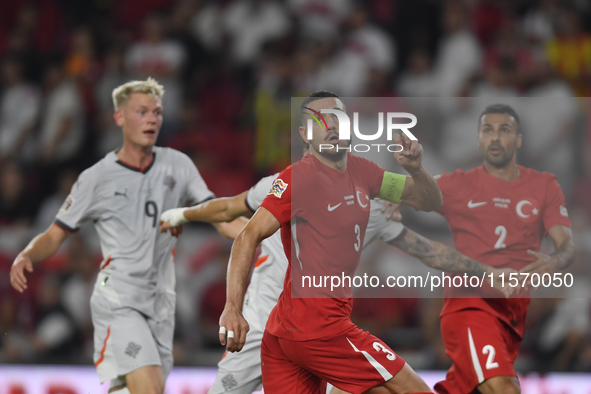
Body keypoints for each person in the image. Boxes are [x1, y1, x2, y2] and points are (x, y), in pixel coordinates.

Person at [160, 169, 515, 394]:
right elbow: (228, 217)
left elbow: (431, 250)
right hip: (263, 329)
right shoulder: (279, 187)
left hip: (316, 330)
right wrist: (181, 214)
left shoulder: (370, 209)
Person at [9, 78, 242, 394]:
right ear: (119, 118)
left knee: (135, 387)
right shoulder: (97, 178)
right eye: (141, 112)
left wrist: (258, 233)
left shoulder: (178, 166)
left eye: (156, 112)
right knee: (147, 385)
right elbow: (54, 235)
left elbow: (216, 216)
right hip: (117, 292)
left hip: (161, 295)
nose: (151, 119)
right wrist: (27, 255)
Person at [214, 89, 437, 394]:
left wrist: (416, 170)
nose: (331, 125)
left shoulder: (364, 172)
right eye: (320, 120)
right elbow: (247, 235)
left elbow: (426, 199)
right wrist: (232, 308)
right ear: (305, 134)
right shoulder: (299, 178)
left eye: (338, 117)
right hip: (320, 328)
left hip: (285, 334)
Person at [432, 104, 575, 394]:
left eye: (504, 130)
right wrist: (388, 197)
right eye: (488, 130)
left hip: (511, 317)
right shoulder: (458, 183)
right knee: (505, 389)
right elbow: (408, 189)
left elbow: (566, 245)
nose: (495, 138)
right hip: (471, 305)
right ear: (479, 140)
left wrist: (556, 260)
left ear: (518, 140)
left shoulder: (544, 185)